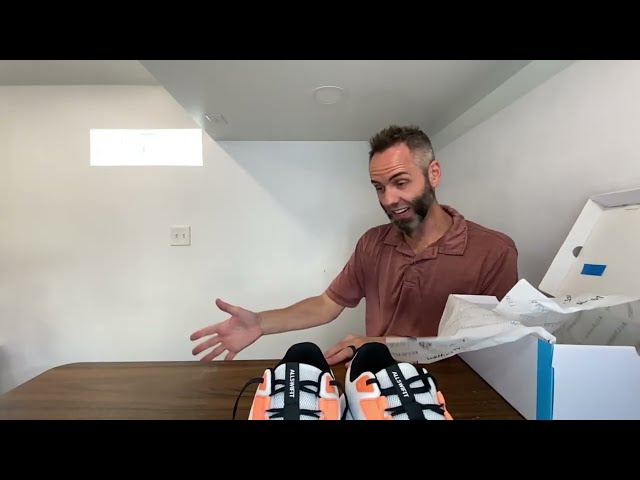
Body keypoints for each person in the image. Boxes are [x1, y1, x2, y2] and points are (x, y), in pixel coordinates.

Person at [190, 125, 518, 365]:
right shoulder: (373, 243)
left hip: (455, 393)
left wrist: (382, 344)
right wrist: (261, 323)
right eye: (379, 187)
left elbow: (492, 346)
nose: (389, 199)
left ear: (433, 173)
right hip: (372, 384)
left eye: (400, 182)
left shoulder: (493, 251)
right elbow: (326, 304)